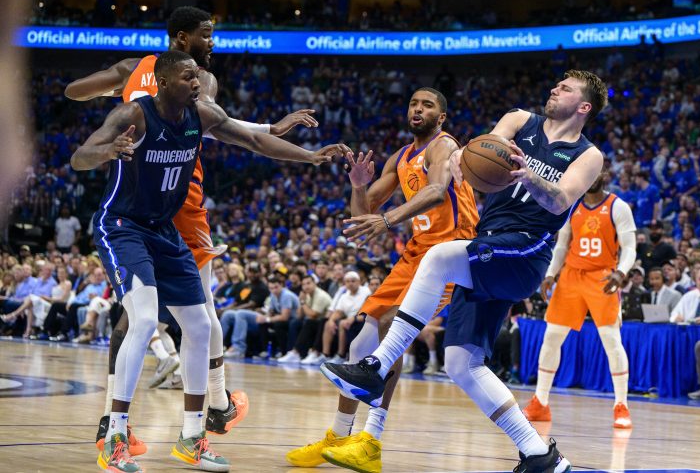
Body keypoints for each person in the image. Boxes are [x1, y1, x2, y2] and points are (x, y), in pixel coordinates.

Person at [72, 50, 346, 472]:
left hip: (164, 230)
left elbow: (255, 140)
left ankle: (192, 438)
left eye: (197, 77)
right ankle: (115, 437)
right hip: (123, 226)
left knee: (200, 326)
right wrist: (110, 150)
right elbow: (80, 156)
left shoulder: (201, 114)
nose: (197, 83)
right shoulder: (134, 115)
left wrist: (308, 156)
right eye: (188, 77)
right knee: (143, 320)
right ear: (164, 82)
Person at [321, 70, 608, 472]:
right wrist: (461, 159)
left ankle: (376, 366)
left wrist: (529, 174)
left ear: (584, 106)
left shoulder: (588, 154)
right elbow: (484, 148)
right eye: (557, 84)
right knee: (461, 363)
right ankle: (539, 454)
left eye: (566, 88)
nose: (555, 88)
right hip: (490, 241)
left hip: (527, 248)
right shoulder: (519, 120)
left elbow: (561, 202)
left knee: (439, 258)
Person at [286, 87, 479, 473]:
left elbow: (436, 191)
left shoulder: (444, 146)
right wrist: (358, 185)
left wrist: (388, 219)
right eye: (413, 103)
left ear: (441, 117)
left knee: (391, 328)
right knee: (363, 339)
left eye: (427, 105)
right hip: (416, 252)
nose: (418, 109)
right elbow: (363, 214)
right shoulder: (401, 157)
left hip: (452, 252)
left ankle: (371, 440)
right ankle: (339, 437)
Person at [522, 169, 637, 429]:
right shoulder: (571, 205)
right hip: (571, 277)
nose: (592, 176)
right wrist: (550, 274)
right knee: (551, 338)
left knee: (611, 340)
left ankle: (621, 405)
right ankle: (540, 402)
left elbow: (630, 248)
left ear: (604, 174)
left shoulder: (618, 207)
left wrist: (621, 273)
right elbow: (562, 244)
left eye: (597, 172)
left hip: (603, 277)